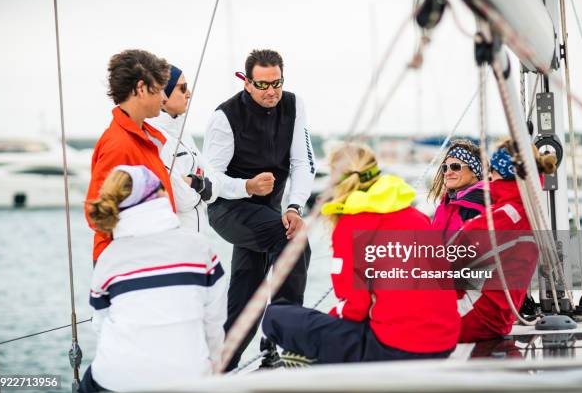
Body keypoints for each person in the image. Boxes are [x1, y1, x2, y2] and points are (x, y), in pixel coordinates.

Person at [261, 144, 460, 365]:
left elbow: (355, 309)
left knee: (276, 317)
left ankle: (313, 361)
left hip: (396, 349)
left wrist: (323, 330)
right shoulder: (417, 216)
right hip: (444, 343)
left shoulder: (351, 225)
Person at [203, 49, 316, 370]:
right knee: (293, 241)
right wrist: (247, 187)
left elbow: (302, 162)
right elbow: (210, 179)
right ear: (247, 82)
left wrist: (294, 206)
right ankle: (288, 342)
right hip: (228, 210)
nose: (271, 92)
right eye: (263, 85)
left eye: (276, 83)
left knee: (245, 296)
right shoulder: (224, 117)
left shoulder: (294, 105)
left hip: (269, 211)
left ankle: (218, 369)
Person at [79, 165, 226, 393]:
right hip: (188, 379)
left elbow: (100, 324)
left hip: (117, 381)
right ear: (157, 195)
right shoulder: (199, 247)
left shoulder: (108, 258)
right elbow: (214, 323)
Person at [453, 139, 557, 342]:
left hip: (471, 315)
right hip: (492, 317)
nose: (489, 175)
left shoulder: (506, 216)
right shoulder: (526, 211)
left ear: (503, 171)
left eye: (492, 168)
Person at [85, 49, 175, 262]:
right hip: (125, 262)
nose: (164, 98)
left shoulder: (144, 138)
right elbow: (96, 214)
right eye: (160, 89)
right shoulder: (118, 145)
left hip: (147, 254)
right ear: (141, 88)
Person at [148, 64, 218, 233]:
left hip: (197, 241)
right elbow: (181, 199)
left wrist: (195, 183)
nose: (189, 93)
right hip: (177, 243)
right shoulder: (155, 137)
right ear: (164, 94)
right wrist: (202, 185)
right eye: (183, 88)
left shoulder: (183, 132)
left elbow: (215, 187)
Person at [430, 140, 484, 241]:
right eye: (445, 168)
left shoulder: (476, 209)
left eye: (455, 167)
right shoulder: (447, 203)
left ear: (474, 171)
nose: (448, 173)